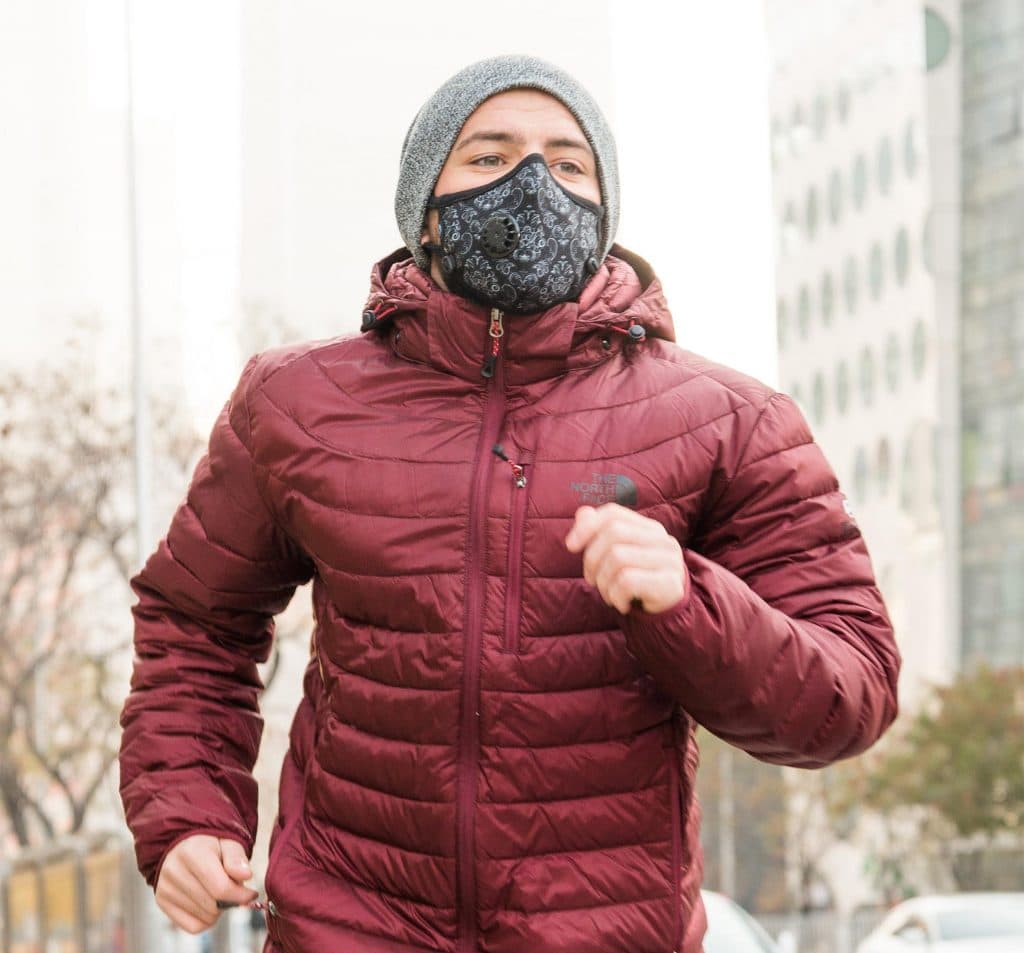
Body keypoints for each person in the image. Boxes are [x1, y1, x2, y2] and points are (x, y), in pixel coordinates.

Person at [119, 55, 901, 953]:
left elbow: (849, 693)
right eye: (489, 157)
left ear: (604, 213)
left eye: (568, 163)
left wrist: (688, 601)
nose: (533, 183)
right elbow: (195, 622)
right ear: (425, 206)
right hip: (347, 929)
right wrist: (186, 811)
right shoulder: (294, 400)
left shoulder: (729, 421)